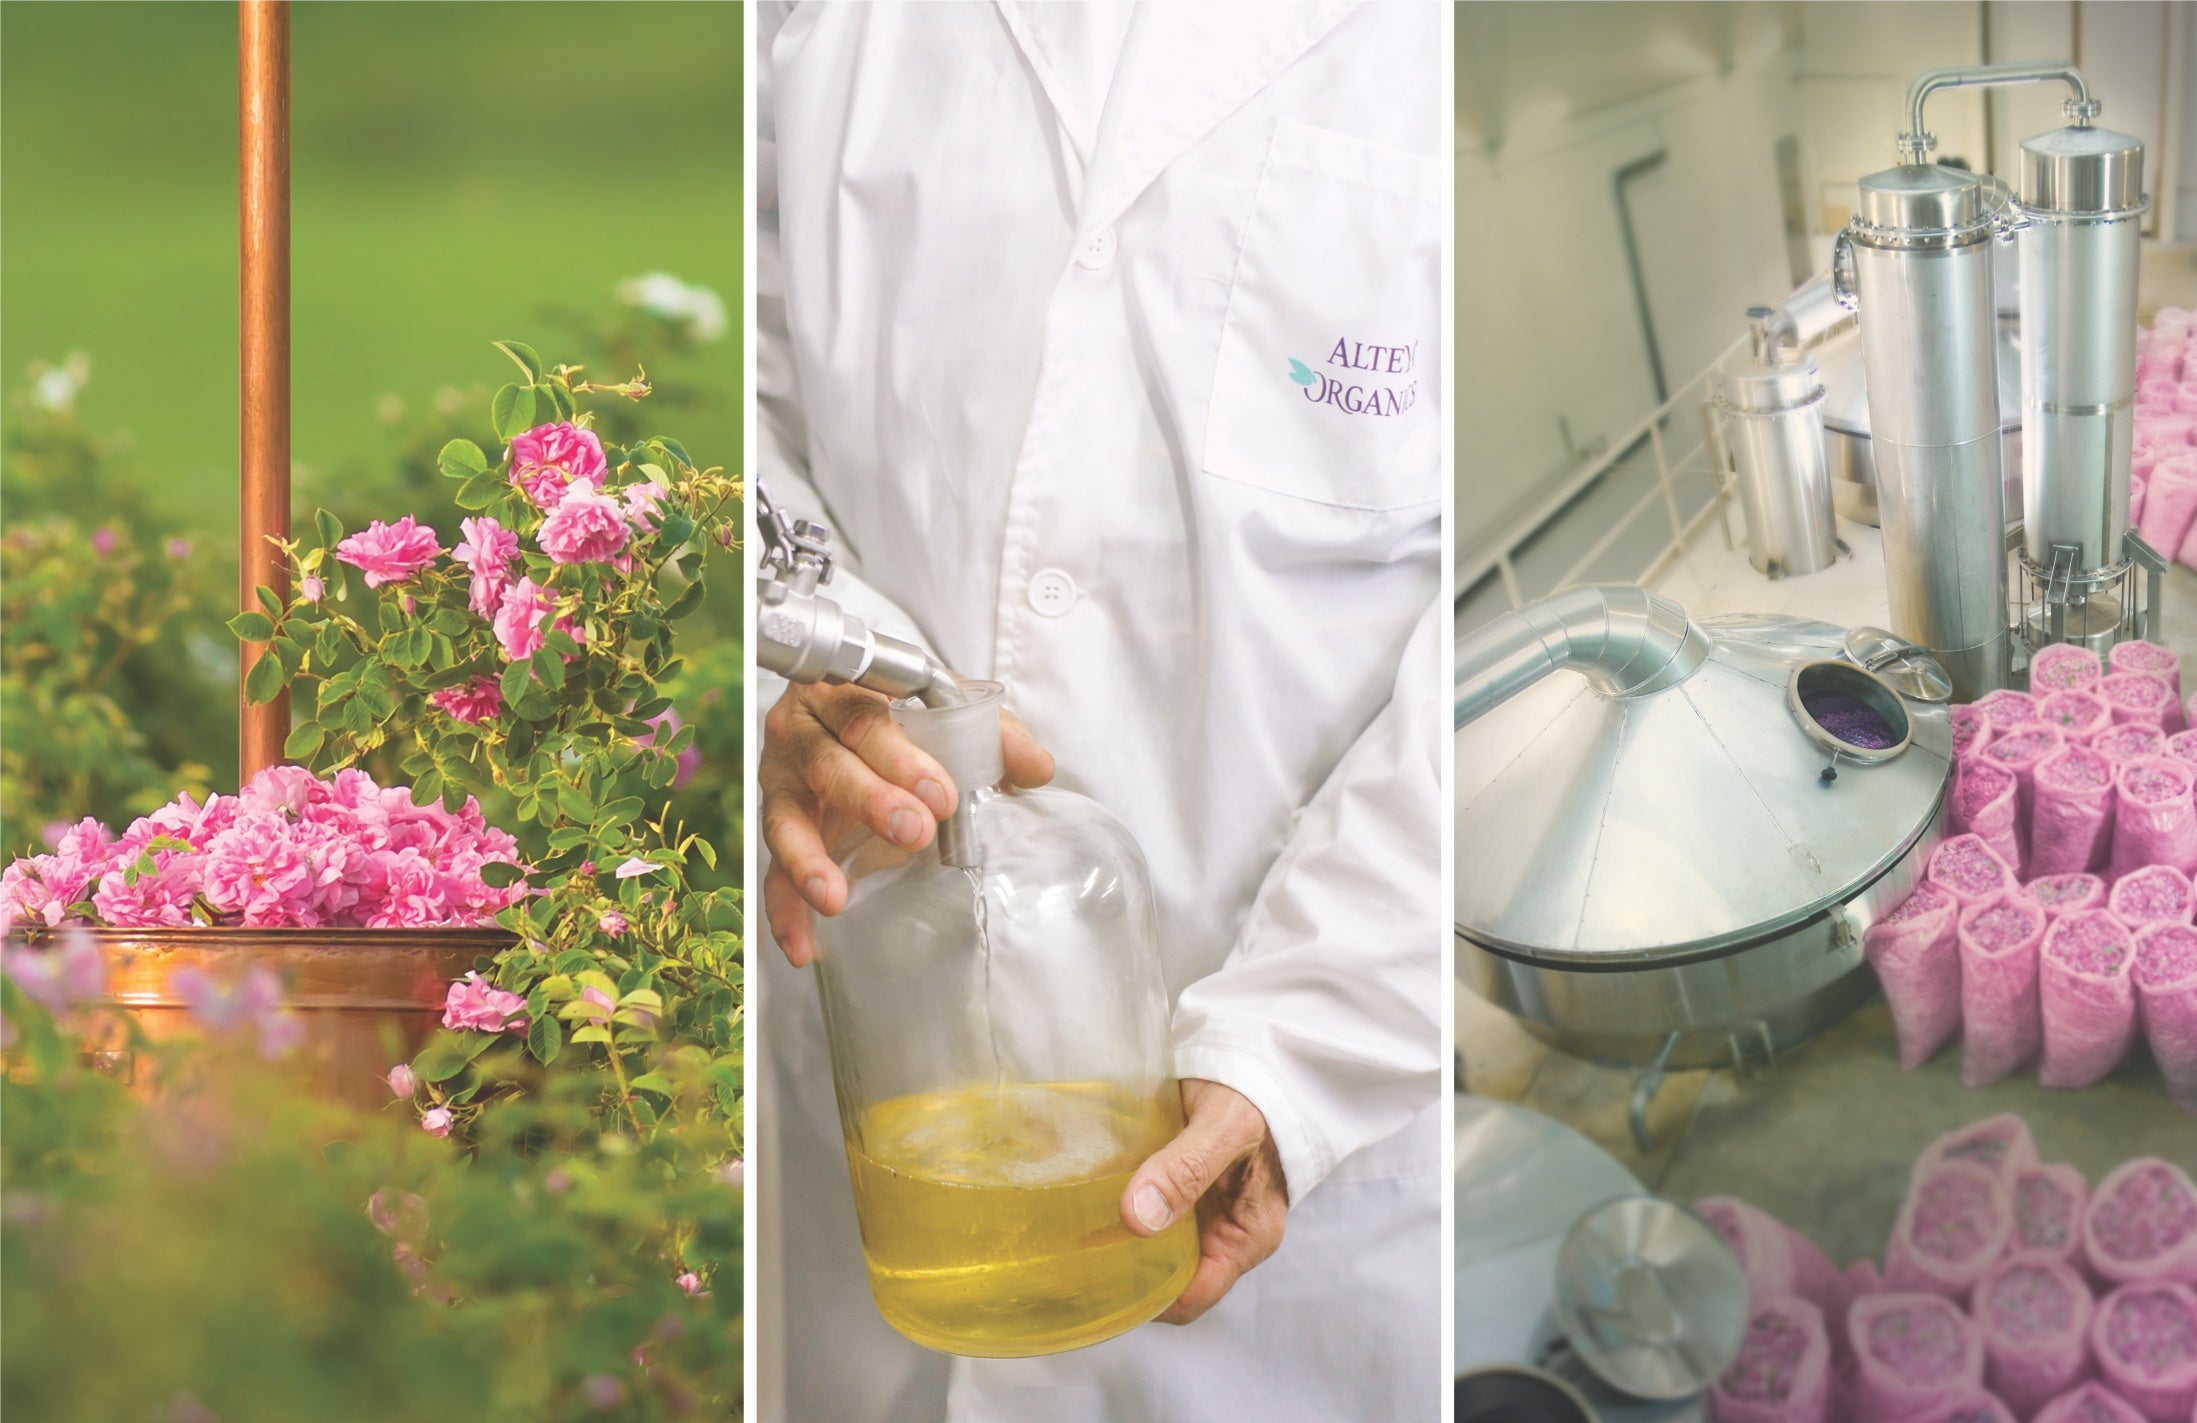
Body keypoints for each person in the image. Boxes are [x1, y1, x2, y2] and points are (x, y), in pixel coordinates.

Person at [754, 4, 1444, 1418]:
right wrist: (797, 675)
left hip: (1297, 1208)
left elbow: (1476, 671)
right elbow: (729, 422)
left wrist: (1298, 1048)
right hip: (869, 1175)